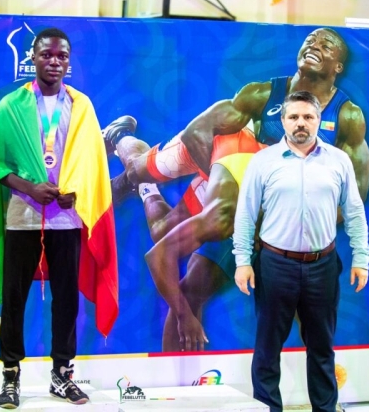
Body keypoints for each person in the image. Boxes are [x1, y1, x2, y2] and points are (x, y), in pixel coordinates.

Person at [0, 28, 118, 409]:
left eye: (62, 56)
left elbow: (92, 164)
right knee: (14, 298)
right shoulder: (11, 106)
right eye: (47, 55)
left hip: (67, 218)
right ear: (33, 58)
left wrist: (76, 192)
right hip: (21, 216)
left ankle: (62, 375)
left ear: (69, 61)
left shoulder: (82, 106)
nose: (54, 62)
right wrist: (29, 188)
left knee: (66, 299)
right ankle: (10, 376)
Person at [107, 27, 369, 205]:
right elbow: (196, 133)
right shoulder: (262, 94)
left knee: (172, 231)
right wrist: (223, 182)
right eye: (310, 41)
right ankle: (119, 134)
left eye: (326, 45)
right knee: (137, 171)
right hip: (214, 150)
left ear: (338, 66)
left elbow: (357, 189)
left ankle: (137, 187)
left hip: (253, 180)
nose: (314, 46)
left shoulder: (347, 116)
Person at [232, 91, 369, 412]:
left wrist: (361, 258)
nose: (301, 123)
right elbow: (246, 214)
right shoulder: (263, 161)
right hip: (275, 265)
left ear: (319, 120)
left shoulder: (338, 160)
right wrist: (242, 261)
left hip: (323, 266)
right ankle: (268, 409)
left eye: (308, 117)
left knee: (322, 347)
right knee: (268, 347)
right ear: (282, 121)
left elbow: (354, 213)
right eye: (293, 117)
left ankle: (325, 409)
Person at [106, 116, 263, 352]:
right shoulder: (221, 217)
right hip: (219, 154)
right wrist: (184, 316)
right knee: (154, 212)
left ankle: (141, 184)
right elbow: (159, 255)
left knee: (165, 234)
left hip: (248, 175)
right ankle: (121, 138)